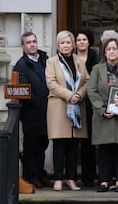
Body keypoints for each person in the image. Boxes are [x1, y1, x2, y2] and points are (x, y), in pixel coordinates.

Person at [87, 38, 118, 192]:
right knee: (104, 150)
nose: (112, 52)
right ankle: (104, 181)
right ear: (105, 52)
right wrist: (102, 109)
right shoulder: (97, 69)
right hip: (103, 116)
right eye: (109, 49)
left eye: (114, 49)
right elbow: (91, 90)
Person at [46, 30, 89, 191]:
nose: (66, 45)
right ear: (58, 45)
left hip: (77, 107)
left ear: (73, 45)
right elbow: (51, 83)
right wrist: (69, 95)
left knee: (73, 145)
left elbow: (87, 81)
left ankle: (71, 179)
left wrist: (79, 94)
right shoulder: (52, 62)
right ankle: (58, 178)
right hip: (59, 107)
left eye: (68, 42)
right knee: (59, 144)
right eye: (62, 43)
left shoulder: (79, 61)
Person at [13, 32, 52, 189]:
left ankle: (40, 173)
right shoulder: (21, 65)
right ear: (23, 46)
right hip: (31, 111)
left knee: (43, 144)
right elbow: (22, 89)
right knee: (31, 145)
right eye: (28, 42)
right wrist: (38, 101)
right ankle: (32, 176)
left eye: (34, 41)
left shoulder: (45, 59)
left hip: (47, 111)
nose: (32, 44)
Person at [73, 27, 100, 187]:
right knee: (75, 140)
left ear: (89, 41)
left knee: (89, 140)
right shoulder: (71, 57)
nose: (81, 42)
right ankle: (73, 176)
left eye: (84, 39)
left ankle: (89, 177)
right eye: (78, 40)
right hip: (73, 101)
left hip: (90, 103)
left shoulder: (95, 57)